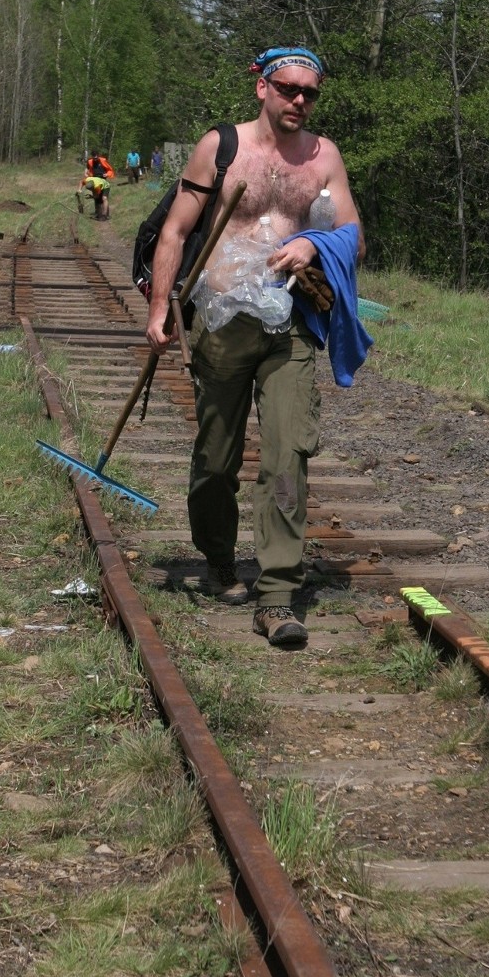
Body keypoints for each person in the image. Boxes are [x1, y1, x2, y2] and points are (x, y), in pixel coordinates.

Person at [146, 45, 367, 647]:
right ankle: (218, 559)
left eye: (310, 92)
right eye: (289, 88)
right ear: (262, 88)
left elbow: (354, 234)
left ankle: (276, 595)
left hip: (288, 324)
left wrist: (316, 246)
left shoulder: (323, 159)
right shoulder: (222, 147)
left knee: (285, 456)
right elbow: (175, 230)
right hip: (220, 322)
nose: (300, 100)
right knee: (216, 462)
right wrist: (160, 307)